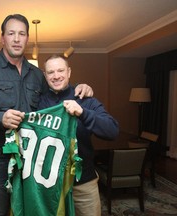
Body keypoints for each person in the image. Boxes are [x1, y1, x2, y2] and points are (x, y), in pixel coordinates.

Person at [0, 14, 93, 216]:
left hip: (31, 156)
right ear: (3, 38)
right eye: (11, 33)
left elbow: (56, 101)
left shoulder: (37, 75)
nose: (16, 38)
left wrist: (80, 89)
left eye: (21, 34)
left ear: (27, 38)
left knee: (31, 208)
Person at [38, 54, 119, 216]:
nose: (56, 76)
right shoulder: (37, 102)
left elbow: (112, 131)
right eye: (51, 72)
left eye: (60, 70)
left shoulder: (85, 99)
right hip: (49, 184)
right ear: (45, 76)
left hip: (83, 183)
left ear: (69, 72)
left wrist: (83, 113)